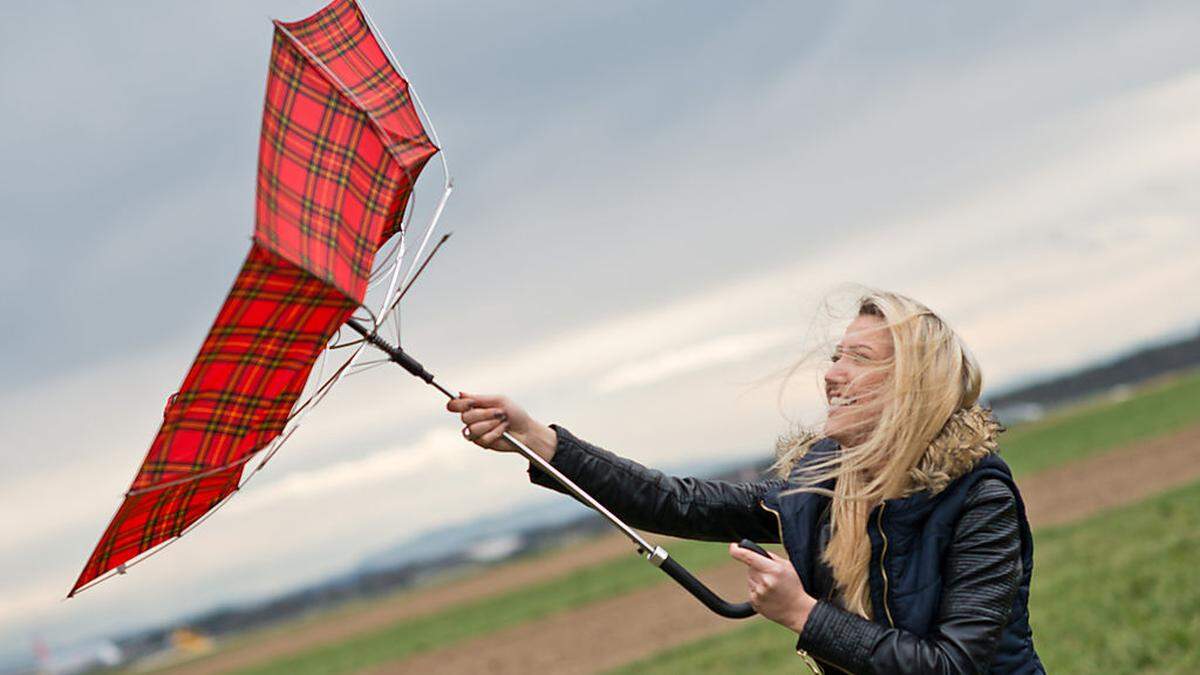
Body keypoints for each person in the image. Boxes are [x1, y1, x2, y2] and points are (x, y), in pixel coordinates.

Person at [447, 290, 1044, 674]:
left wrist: (804, 615)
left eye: (858, 359)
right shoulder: (818, 487)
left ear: (915, 385)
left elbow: (954, 665)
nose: (832, 375)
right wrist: (538, 440)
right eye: (835, 356)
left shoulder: (977, 498)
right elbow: (677, 503)